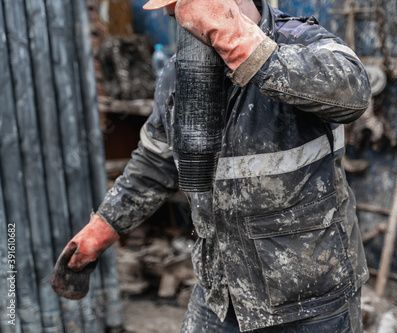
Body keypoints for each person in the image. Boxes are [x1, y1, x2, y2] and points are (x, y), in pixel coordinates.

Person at [52, 0, 371, 331]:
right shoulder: (179, 75)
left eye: (183, 6)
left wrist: (246, 46)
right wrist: (104, 226)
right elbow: (154, 163)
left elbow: (354, 92)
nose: (173, 17)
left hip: (308, 298)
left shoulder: (299, 40)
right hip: (222, 293)